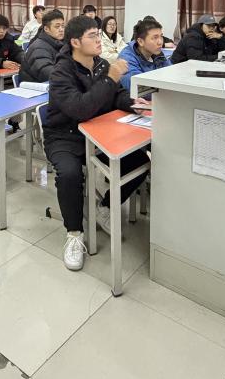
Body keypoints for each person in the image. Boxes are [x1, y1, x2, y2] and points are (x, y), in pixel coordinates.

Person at [44, 16, 151, 271]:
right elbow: (80, 108)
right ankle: (74, 234)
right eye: (92, 36)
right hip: (65, 136)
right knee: (70, 174)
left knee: (140, 160)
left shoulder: (101, 64)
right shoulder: (61, 72)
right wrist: (110, 78)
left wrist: (133, 104)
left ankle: (105, 206)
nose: (99, 40)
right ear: (75, 42)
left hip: (98, 133)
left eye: (98, 34)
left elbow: (116, 96)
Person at [118, 18, 172, 91]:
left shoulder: (157, 53)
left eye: (161, 36)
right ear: (140, 41)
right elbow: (139, 88)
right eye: (155, 37)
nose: (160, 42)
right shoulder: (126, 57)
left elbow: (171, 74)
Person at [20, 9, 65, 83]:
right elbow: (47, 72)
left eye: (63, 26)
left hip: (52, 84)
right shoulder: (38, 48)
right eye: (57, 27)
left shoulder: (61, 43)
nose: (61, 29)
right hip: (35, 87)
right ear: (46, 29)